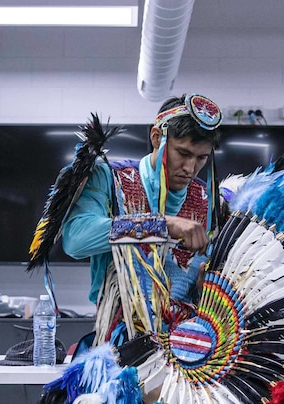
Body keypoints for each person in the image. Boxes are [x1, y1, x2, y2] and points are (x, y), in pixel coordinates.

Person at [61, 93, 223, 341]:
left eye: (201, 158)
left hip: (188, 346)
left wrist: (207, 287)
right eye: (183, 153)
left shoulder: (208, 196)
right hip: (120, 341)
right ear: (157, 137)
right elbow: (75, 240)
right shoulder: (109, 178)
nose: (190, 168)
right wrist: (162, 225)